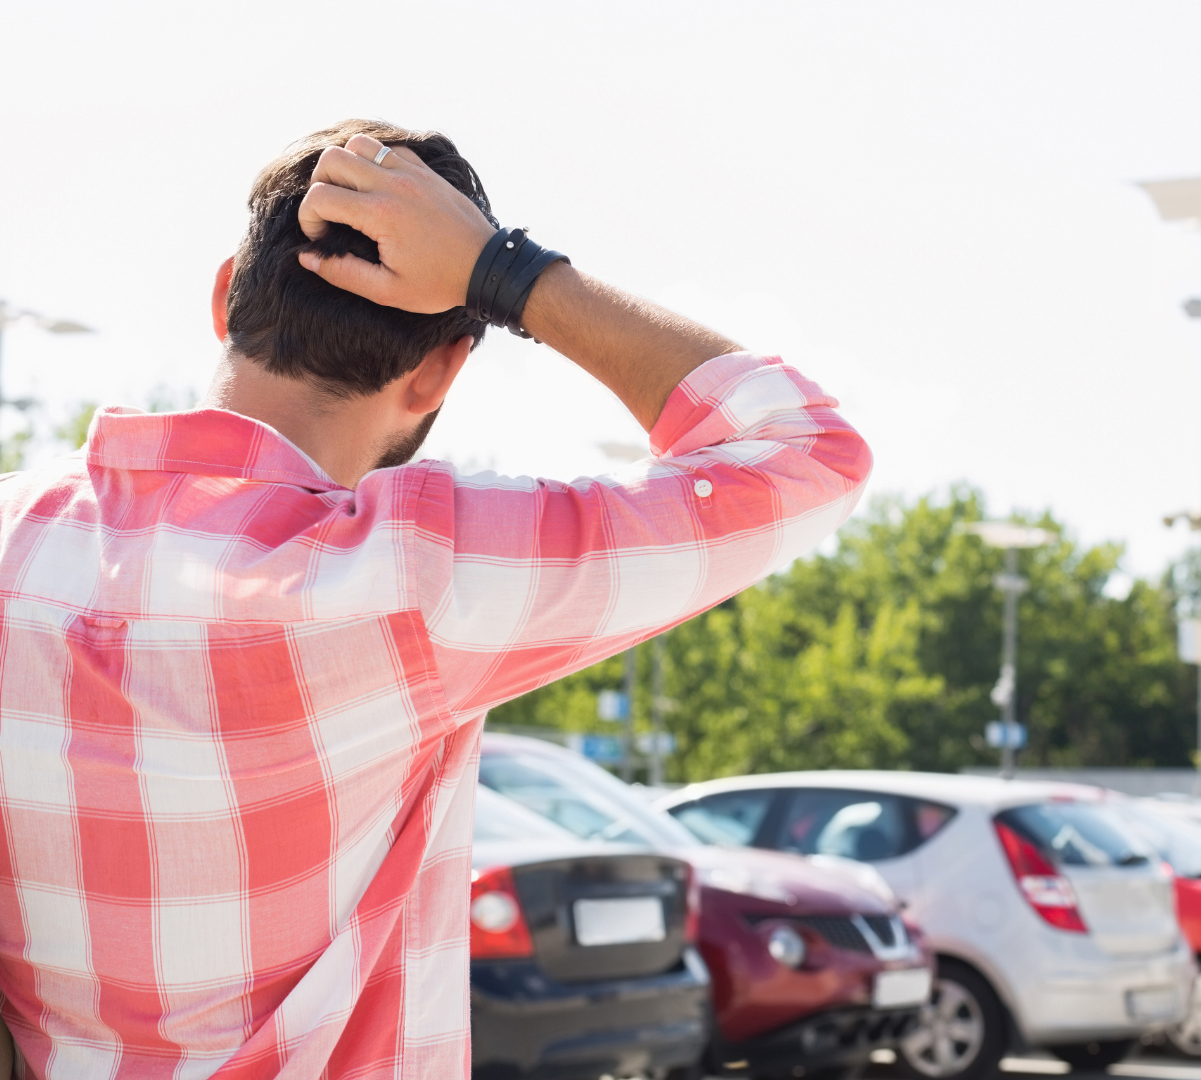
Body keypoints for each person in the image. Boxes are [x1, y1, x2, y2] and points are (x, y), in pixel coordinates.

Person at [0, 120, 870, 1079]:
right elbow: (804, 453)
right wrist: (508, 273)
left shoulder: (15, 541)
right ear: (441, 368)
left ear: (224, 299)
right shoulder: (417, 579)